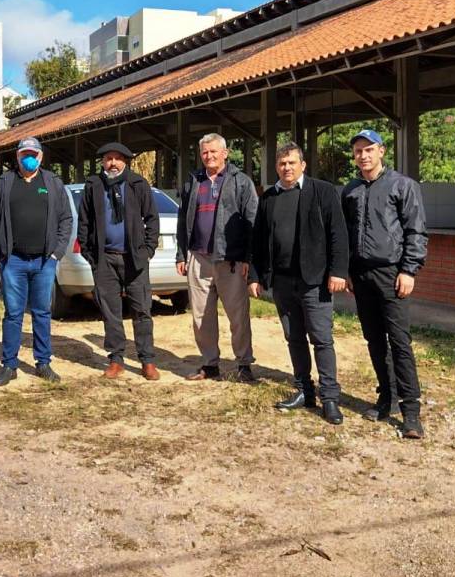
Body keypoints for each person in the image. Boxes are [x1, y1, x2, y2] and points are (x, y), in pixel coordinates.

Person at [249, 142, 349, 424]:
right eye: (282, 164)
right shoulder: (269, 197)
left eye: (292, 163)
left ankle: (330, 397)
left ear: (303, 165)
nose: (286, 168)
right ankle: (304, 390)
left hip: (315, 281)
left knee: (321, 339)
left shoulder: (323, 192)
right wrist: (255, 276)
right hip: (282, 282)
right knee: (294, 338)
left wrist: (338, 271)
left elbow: (338, 235)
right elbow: (257, 241)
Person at [341, 129, 428, 439]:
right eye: (358, 151)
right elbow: (344, 234)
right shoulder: (350, 190)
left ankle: (412, 412)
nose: (363, 155)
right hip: (361, 275)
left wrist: (409, 270)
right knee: (374, 340)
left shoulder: (402, 186)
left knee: (400, 342)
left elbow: (415, 231)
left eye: (368, 149)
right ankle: (385, 398)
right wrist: (347, 270)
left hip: (392, 274)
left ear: (382, 151)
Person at [0, 137, 72, 387]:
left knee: (42, 312)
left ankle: (43, 362)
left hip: (44, 262)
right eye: (24, 154)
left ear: (41, 157)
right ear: (17, 156)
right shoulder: (4, 183)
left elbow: (66, 219)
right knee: (13, 314)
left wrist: (57, 253)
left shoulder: (52, 183)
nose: (28, 158)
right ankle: (9, 365)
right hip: (13, 261)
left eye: (33, 154)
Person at [175, 133, 258, 382]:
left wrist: (248, 258)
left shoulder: (241, 182)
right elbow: (182, 221)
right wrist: (181, 254)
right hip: (198, 258)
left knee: (238, 315)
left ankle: (244, 364)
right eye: (204, 153)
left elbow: (253, 221)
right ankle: (210, 364)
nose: (209, 156)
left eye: (213, 152)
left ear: (225, 153)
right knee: (201, 316)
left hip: (231, 260)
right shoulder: (193, 182)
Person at [77, 142, 160, 380]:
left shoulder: (137, 184)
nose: (112, 163)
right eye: (108, 159)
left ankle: (147, 360)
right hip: (105, 260)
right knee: (110, 312)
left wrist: (148, 250)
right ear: (102, 162)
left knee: (142, 310)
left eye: (117, 158)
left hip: (134, 259)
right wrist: (89, 253)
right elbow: (84, 221)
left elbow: (151, 219)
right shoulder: (94, 185)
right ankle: (116, 359)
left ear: (126, 161)